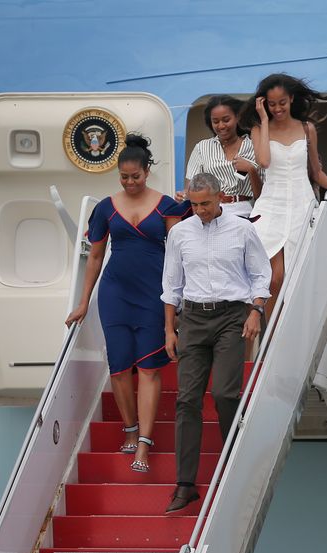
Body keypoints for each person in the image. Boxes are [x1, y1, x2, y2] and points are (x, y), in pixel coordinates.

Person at [66, 135, 185, 473]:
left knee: (148, 368)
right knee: (118, 367)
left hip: (154, 294)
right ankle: (130, 429)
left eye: (136, 176)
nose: (130, 182)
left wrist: (176, 305)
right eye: (124, 177)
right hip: (115, 292)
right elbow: (95, 258)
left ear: (147, 171)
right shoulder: (105, 207)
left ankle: (144, 443)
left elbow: (177, 256)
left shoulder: (166, 206)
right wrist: (83, 303)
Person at [161, 172, 271, 514]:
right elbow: (171, 285)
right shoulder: (180, 233)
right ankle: (185, 484)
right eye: (194, 205)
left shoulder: (242, 229)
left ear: (220, 197)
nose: (200, 211)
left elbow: (260, 274)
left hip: (232, 316)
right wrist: (169, 330)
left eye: (206, 203)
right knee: (187, 399)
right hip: (192, 319)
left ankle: (234, 464)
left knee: (224, 393)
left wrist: (255, 311)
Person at [242, 73, 327, 320]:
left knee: (296, 277)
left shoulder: (306, 128)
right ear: (264, 104)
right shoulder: (259, 129)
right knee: (273, 277)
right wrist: (264, 120)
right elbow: (264, 162)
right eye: (272, 104)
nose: (278, 108)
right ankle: (267, 339)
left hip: (302, 205)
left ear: (291, 99)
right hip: (271, 207)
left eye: (282, 102)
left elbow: (315, 171)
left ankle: (288, 337)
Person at [177, 95, 262, 216]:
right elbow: (190, 188)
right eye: (215, 122)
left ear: (237, 117)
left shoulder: (254, 146)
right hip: (211, 211)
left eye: (226, 120)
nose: (221, 126)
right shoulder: (202, 148)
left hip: (244, 211)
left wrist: (251, 169)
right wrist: (183, 195)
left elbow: (261, 195)